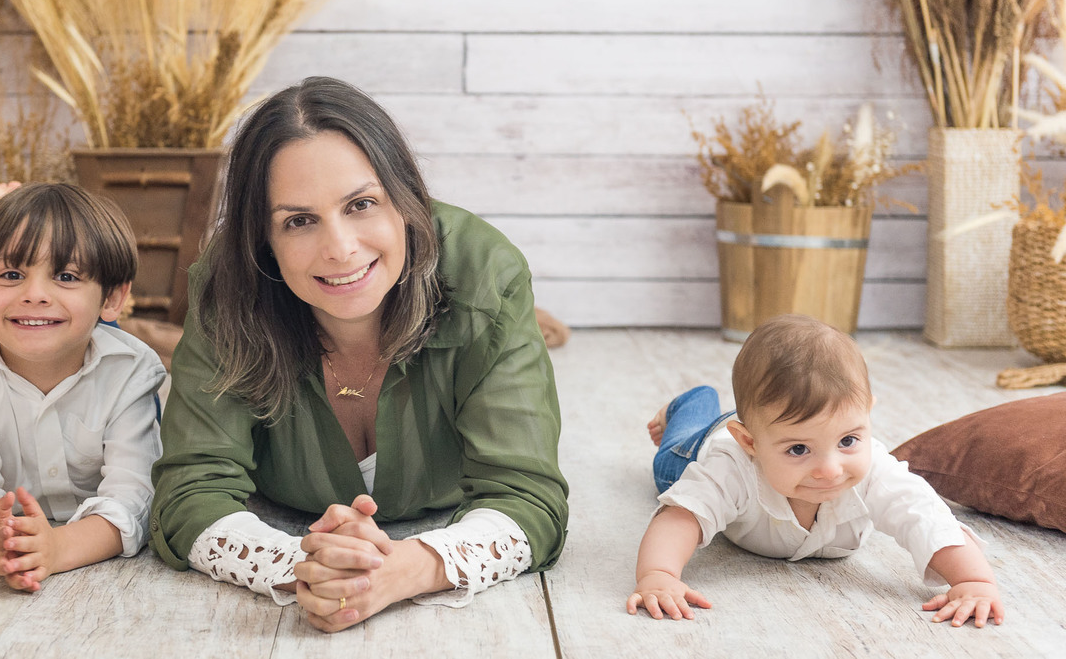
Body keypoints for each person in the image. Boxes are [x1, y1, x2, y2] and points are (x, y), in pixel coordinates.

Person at [150, 76, 569, 632]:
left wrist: (406, 570)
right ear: (262, 241)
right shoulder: (227, 288)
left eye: (361, 204)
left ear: (406, 199)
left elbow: (527, 498)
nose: (340, 248)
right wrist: (299, 567)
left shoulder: (487, 274)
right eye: (298, 221)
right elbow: (190, 490)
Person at [626, 314, 1003, 628]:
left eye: (847, 441)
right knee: (669, 463)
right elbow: (680, 517)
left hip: (761, 426)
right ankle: (692, 402)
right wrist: (658, 575)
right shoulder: (730, 467)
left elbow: (925, 516)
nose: (829, 469)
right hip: (701, 444)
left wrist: (973, 581)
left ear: (867, 414)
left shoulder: (875, 470)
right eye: (799, 449)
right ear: (751, 443)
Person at [0, 183, 166, 591]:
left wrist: (59, 546)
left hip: (80, 517)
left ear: (113, 299)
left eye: (66, 276)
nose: (34, 296)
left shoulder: (130, 371)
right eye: (12, 275)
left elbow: (136, 495)